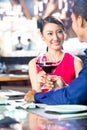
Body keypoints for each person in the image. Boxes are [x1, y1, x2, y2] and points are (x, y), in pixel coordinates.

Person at [24, 0, 87, 105]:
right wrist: (39, 87)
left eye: (59, 32)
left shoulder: (76, 61)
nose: (55, 38)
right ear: (42, 36)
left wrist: (36, 96)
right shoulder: (34, 63)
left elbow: (77, 96)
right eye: (49, 33)